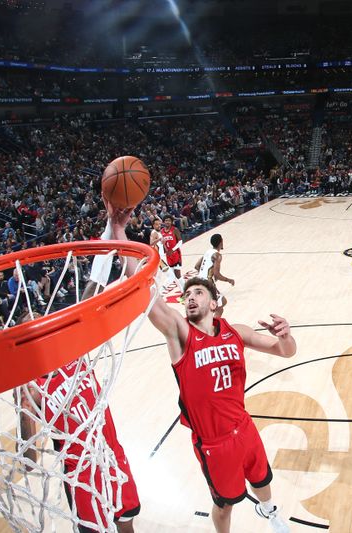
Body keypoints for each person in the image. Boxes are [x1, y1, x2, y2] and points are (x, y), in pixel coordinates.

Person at [105, 200, 296, 533]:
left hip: (245, 426)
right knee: (225, 505)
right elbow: (147, 300)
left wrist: (286, 335)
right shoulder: (181, 334)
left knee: (262, 479)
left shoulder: (235, 332)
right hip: (214, 442)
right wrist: (119, 233)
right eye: (186, 295)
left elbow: (286, 352)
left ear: (212, 301)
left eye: (197, 293)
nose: (190, 297)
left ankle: (269, 510)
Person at [18, 312, 141, 533]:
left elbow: (87, 301)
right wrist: (24, 413)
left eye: (42, 323)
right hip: (81, 478)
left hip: (112, 458)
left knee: (127, 523)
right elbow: (28, 462)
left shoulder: (74, 353)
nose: (41, 330)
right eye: (32, 329)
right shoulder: (32, 389)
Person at [194, 234, 234, 318]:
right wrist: (229, 280)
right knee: (222, 303)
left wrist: (204, 275)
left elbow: (197, 266)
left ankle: (207, 321)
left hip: (198, 281)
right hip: (207, 283)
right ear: (221, 242)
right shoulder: (217, 255)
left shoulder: (208, 252)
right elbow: (217, 274)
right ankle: (212, 328)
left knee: (216, 306)